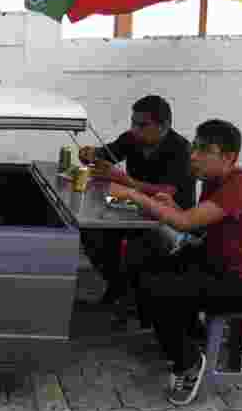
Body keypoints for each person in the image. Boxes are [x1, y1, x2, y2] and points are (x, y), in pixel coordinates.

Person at [107, 120, 242, 406]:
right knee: (146, 265)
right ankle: (184, 339)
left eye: (204, 149)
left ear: (228, 157)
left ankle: (189, 362)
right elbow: (198, 225)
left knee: (160, 289)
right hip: (216, 261)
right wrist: (173, 208)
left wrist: (134, 194)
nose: (194, 155)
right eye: (195, 147)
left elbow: (185, 224)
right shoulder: (213, 182)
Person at [77, 95, 195, 309]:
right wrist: (90, 154)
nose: (135, 129)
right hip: (135, 209)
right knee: (93, 232)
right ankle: (118, 285)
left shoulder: (181, 150)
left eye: (142, 125)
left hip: (171, 217)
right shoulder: (131, 139)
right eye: (133, 123)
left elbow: (166, 191)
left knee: (141, 246)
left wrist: (123, 180)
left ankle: (138, 297)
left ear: (164, 126)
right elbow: (107, 154)